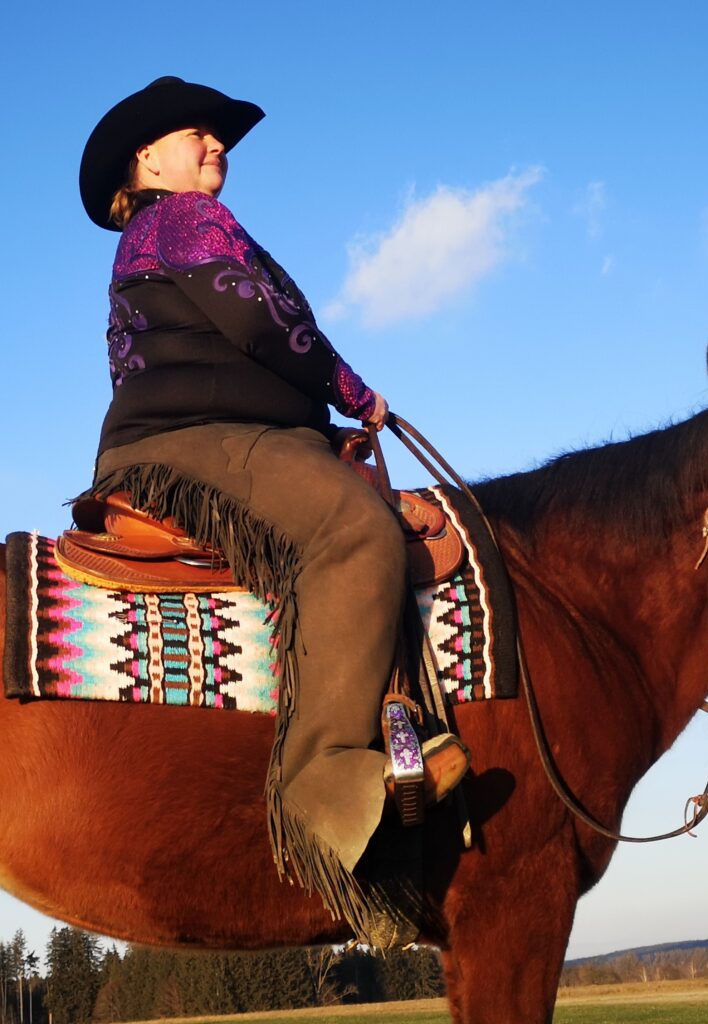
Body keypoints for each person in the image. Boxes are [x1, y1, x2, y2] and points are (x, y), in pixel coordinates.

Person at [78, 77, 468, 945]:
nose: (216, 145)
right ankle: (322, 781)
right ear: (146, 158)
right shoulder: (178, 218)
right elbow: (260, 324)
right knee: (352, 532)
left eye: (220, 137)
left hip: (229, 431)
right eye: (197, 135)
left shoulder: (175, 223)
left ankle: (397, 741)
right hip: (196, 440)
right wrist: (354, 391)